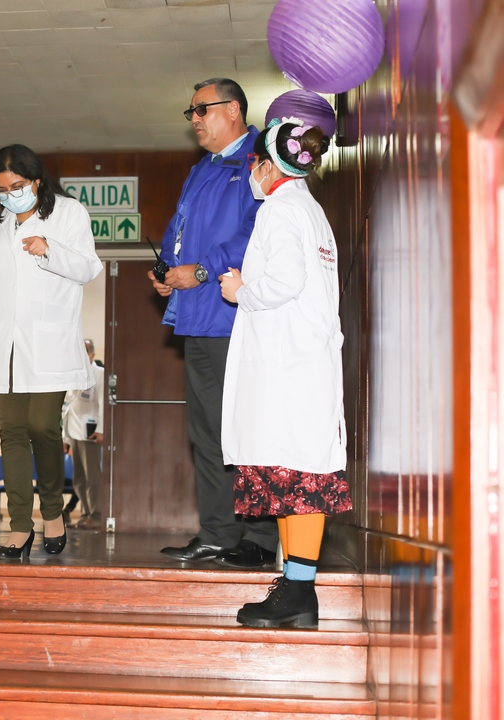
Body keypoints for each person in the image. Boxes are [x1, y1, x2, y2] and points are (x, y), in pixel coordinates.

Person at [219, 118, 351, 628]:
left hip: (286, 367)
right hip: (304, 362)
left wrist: (240, 291)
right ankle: (297, 591)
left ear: (269, 166)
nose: (253, 172)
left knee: (294, 474)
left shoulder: (279, 209)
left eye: (255, 163)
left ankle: (298, 593)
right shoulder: (310, 210)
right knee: (298, 476)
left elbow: (284, 282)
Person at [151, 78, 279, 568]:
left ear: (233, 110)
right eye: (191, 113)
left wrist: (202, 271)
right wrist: (168, 271)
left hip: (238, 318)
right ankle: (219, 533)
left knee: (250, 428)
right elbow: (178, 231)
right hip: (198, 319)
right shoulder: (200, 170)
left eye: (201, 109)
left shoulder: (260, 161)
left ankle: (261, 538)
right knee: (208, 433)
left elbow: (258, 234)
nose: (195, 120)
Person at [0, 144, 103, 559]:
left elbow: (88, 267)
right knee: (12, 433)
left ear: (36, 181)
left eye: (17, 186)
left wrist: (50, 249)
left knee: (41, 426)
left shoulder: (68, 212)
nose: (9, 196)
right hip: (7, 345)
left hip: (49, 342)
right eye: (2, 190)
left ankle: (52, 511)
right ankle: (20, 526)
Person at [63, 339, 104, 530]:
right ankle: (86, 514)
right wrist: (65, 437)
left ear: (92, 355)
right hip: (74, 432)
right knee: (79, 478)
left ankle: (96, 515)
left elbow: (103, 404)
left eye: (85, 351)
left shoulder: (99, 374)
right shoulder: (72, 375)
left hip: (91, 433)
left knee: (92, 477)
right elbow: (67, 407)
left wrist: (101, 430)